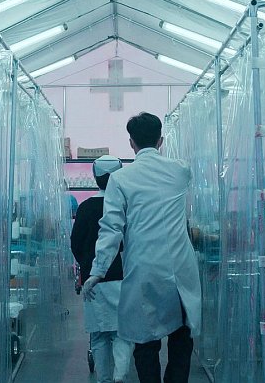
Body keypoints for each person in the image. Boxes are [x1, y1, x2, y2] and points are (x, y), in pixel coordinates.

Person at [82, 112, 201, 383]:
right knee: (181, 337)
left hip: (144, 267)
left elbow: (111, 229)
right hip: (181, 266)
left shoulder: (121, 179)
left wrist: (98, 271)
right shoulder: (180, 170)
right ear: (161, 140)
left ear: (131, 143)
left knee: (145, 340)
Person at [70, 155, 133, 383]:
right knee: (122, 333)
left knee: (98, 335)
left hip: (93, 281)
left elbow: (76, 243)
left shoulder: (86, 207)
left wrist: (88, 265)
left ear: (95, 177)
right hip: (124, 278)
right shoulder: (126, 205)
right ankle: (120, 376)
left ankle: (104, 379)